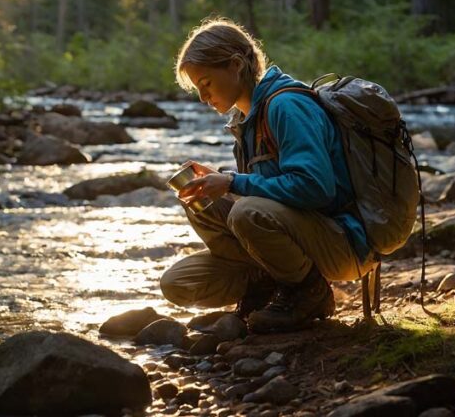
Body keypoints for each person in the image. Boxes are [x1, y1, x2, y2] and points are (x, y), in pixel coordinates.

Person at [161, 17, 378, 333]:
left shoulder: (286, 106)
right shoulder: (248, 119)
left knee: (247, 212)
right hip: (302, 235)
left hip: (343, 241)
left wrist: (234, 182)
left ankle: (309, 293)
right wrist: (221, 182)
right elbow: (273, 189)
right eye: (198, 89)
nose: (203, 98)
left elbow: (316, 188)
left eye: (206, 83)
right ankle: (265, 287)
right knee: (179, 276)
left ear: (235, 65)